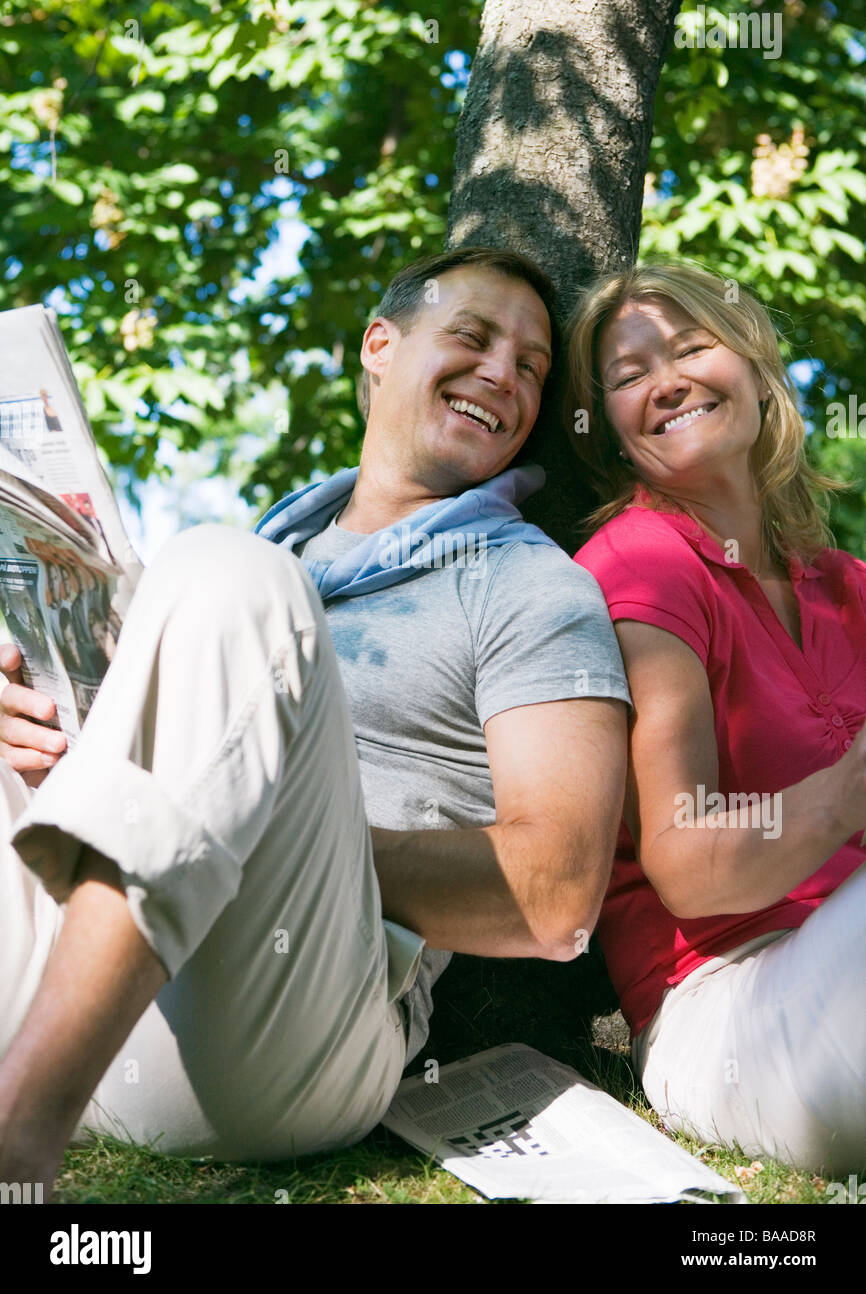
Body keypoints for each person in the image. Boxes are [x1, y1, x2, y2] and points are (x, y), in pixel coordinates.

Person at [0, 245, 630, 1193]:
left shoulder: (532, 583)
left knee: (235, 576)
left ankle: (18, 1140)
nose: (504, 374)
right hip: (75, 993)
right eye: (473, 337)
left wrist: (265, 829)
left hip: (271, 1039)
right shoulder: (267, 545)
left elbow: (556, 897)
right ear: (380, 344)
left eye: (533, 369)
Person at [566, 260, 866, 1175]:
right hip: (730, 1002)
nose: (667, 382)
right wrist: (844, 795)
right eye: (627, 377)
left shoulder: (845, 585)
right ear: (611, 429)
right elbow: (689, 867)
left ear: (755, 366)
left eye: (694, 346)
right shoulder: (640, 563)